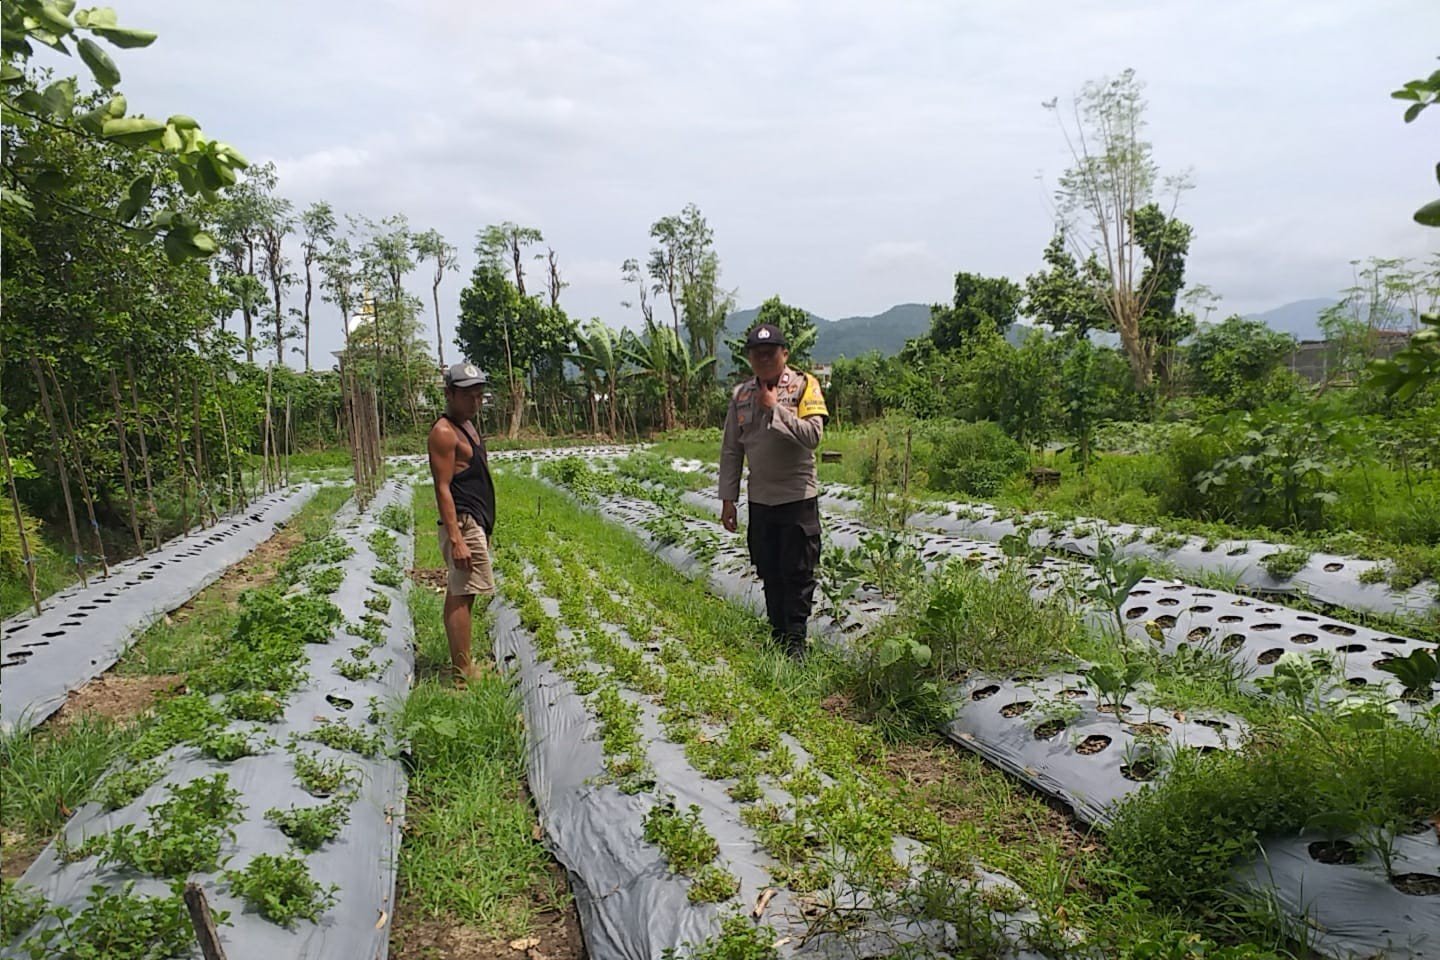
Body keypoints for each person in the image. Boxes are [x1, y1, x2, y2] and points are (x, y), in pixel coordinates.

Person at [718, 322, 829, 656]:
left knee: (798, 572)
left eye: (770, 352)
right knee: (769, 569)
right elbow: (732, 450)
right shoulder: (741, 396)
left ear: (785, 354)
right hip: (761, 499)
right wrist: (728, 499)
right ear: (750, 358)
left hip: (797, 497)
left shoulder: (804, 386)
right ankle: (778, 634)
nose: (764, 359)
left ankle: (796, 642)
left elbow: (813, 436)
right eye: (757, 354)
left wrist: (775, 409)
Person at [427, 361, 496, 684]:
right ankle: (462, 674)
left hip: (474, 520)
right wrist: (457, 539)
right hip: (463, 522)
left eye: (479, 395)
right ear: (449, 394)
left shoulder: (467, 424)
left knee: (463, 592)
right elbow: (442, 487)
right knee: (462, 593)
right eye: (467, 395)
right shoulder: (444, 432)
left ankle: (464, 664)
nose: (474, 401)